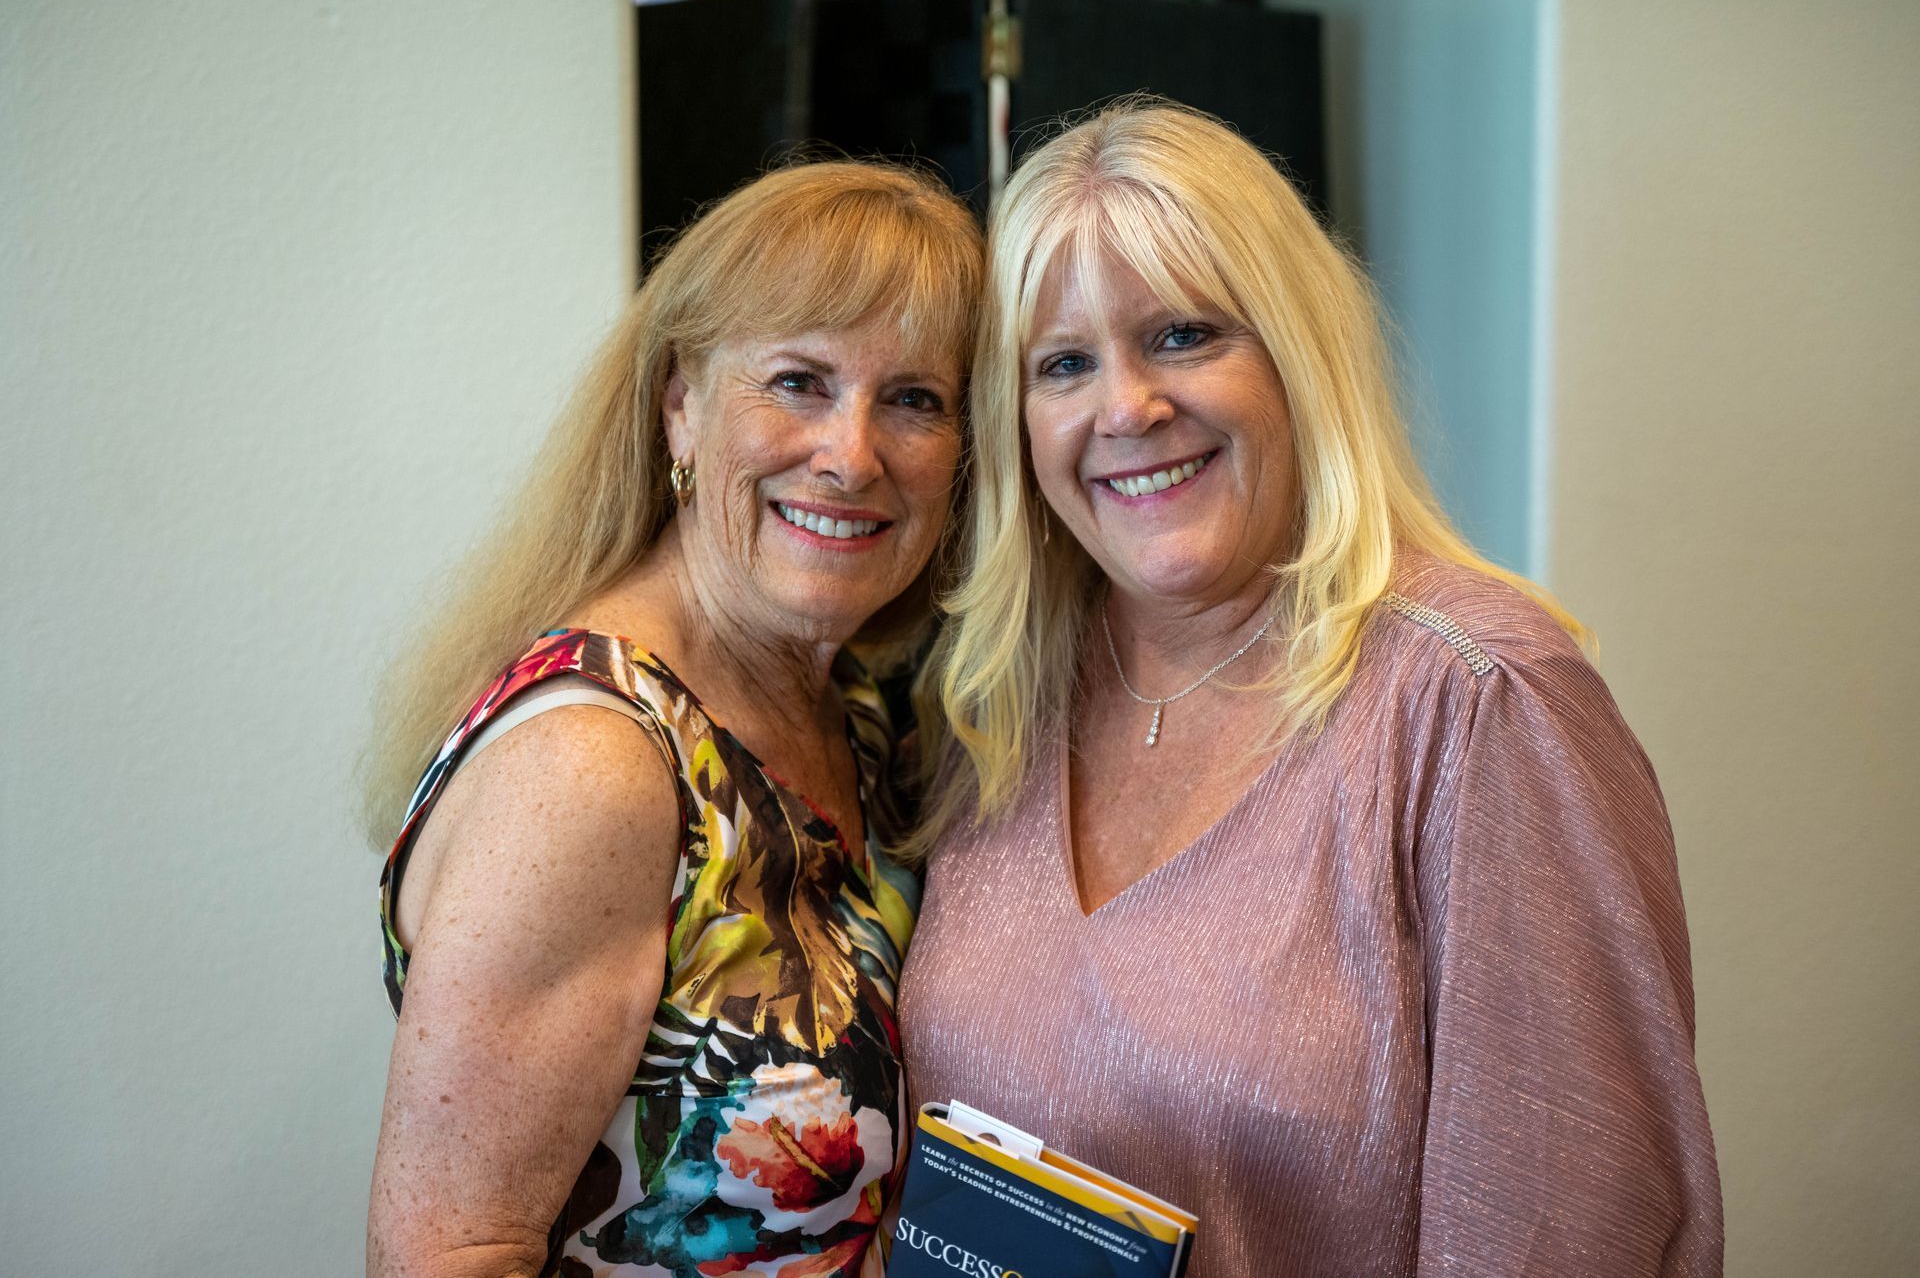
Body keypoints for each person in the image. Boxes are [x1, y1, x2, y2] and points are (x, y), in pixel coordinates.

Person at [897, 100, 1722, 1276]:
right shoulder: (995, 699)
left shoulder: (1479, 701)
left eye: (1184, 335)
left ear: (1297, 351)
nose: (1127, 408)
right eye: (1064, 363)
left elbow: (1571, 1227)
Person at [365, 160, 982, 1278]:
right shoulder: (596, 759)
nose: (852, 454)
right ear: (681, 406)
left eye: (914, 399)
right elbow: (449, 1256)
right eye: (798, 380)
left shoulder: (852, 703)